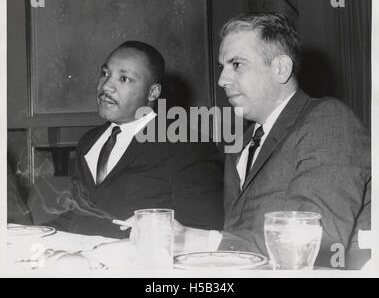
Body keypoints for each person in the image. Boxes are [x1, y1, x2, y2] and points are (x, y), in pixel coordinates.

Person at [163, 13, 370, 269]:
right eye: (222, 67)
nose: (222, 80)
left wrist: (195, 241)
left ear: (281, 68)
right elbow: (237, 233)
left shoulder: (329, 120)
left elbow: (313, 243)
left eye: (236, 64)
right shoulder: (242, 142)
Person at [48, 41, 224, 238]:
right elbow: (78, 215)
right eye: (105, 73)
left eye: (124, 78)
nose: (106, 86)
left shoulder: (188, 146)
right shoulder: (88, 142)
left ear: (152, 92)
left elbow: (204, 231)